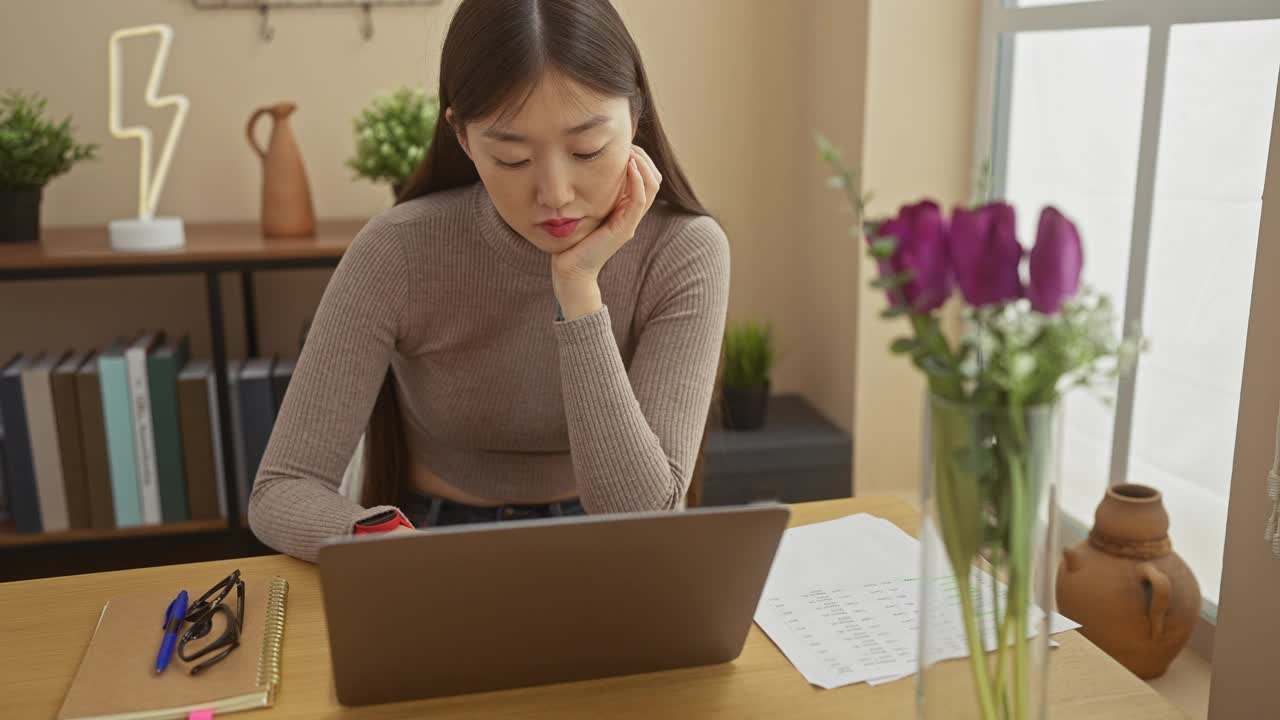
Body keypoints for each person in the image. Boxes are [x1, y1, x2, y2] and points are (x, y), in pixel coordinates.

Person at [248, 0, 730, 562]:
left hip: (606, 549)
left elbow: (642, 518)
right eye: (511, 157)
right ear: (463, 137)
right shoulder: (399, 250)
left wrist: (577, 288)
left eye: (587, 150)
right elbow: (280, 489)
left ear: (636, 114)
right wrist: (389, 546)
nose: (555, 193)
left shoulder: (683, 251)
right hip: (426, 538)